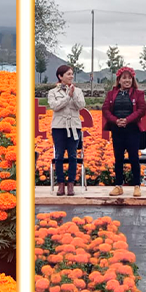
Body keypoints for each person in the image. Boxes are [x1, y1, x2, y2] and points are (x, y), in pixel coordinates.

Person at [101, 66, 146, 197]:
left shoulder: (139, 94)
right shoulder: (111, 94)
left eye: (129, 78)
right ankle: (118, 186)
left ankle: (137, 186)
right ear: (119, 80)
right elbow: (106, 110)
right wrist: (116, 121)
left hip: (132, 130)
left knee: (134, 158)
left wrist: (127, 120)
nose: (127, 80)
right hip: (117, 130)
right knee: (118, 159)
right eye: (124, 78)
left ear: (133, 80)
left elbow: (141, 110)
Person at [47, 64, 85, 196]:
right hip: (59, 127)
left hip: (74, 126)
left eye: (72, 74)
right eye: (68, 74)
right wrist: (67, 96)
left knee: (73, 156)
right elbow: (55, 106)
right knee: (58, 156)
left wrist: (73, 94)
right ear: (60, 76)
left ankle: (71, 185)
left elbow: (81, 105)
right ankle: (60, 185)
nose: (71, 76)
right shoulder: (53, 92)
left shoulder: (78, 91)